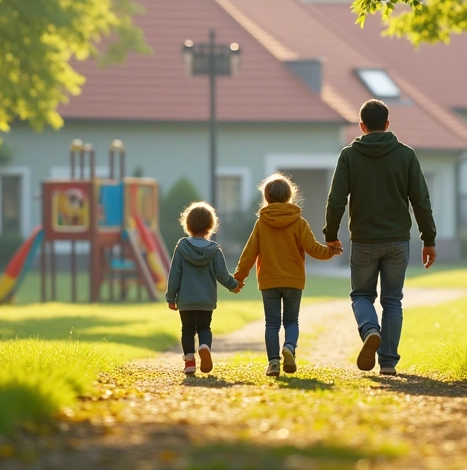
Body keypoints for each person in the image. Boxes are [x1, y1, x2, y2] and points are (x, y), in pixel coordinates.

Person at [323, 99, 437, 375]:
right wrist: (428, 239)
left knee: (361, 295)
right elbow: (420, 200)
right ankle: (387, 363)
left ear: (361, 126)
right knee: (392, 300)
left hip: (363, 240)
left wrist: (331, 234)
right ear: (387, 125)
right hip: (398, 241)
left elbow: (336, 198)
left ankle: (370, 330)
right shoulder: (406, 155)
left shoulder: (349, 156)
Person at [235, 174, 342, 377]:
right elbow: (313, 249)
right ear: (289, 196)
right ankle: (289, 348)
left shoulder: (261, 223)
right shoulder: (299, 222)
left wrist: (239, 277)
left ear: (266, 197)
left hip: (268, 281)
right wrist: (331, 251)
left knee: (272, 324)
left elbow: (249, 253)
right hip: (294, 281)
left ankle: (273, 363)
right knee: (291, 321)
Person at [166, 201, 242, 375]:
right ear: (210, 226)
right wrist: (235, 286)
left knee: (187, 330)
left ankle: (190, 362)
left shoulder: (182, 247)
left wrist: (171, 298)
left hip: (186, 300)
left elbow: (174, 274)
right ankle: (204, 346)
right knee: (204, 328)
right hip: (206, 299)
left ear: (188, 224)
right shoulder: (214, 250)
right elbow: (222, 275)